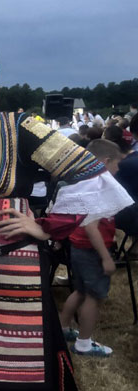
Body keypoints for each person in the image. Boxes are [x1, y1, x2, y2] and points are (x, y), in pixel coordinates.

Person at [0, 39, 133, 391]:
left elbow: (89, 173)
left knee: (18, 362)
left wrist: (44, 226)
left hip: (14, 266)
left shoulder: (19, 127)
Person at [60, 139, 122, 357]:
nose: (118, 169)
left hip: (78, 247)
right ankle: (83, 344)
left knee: (80, 291)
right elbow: (92, 227)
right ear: (105, 161)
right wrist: (106, 257)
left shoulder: (84, 182)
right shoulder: (100, 188)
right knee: (93, 296)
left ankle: (63, 328)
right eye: (117, 164)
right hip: (91, 250)